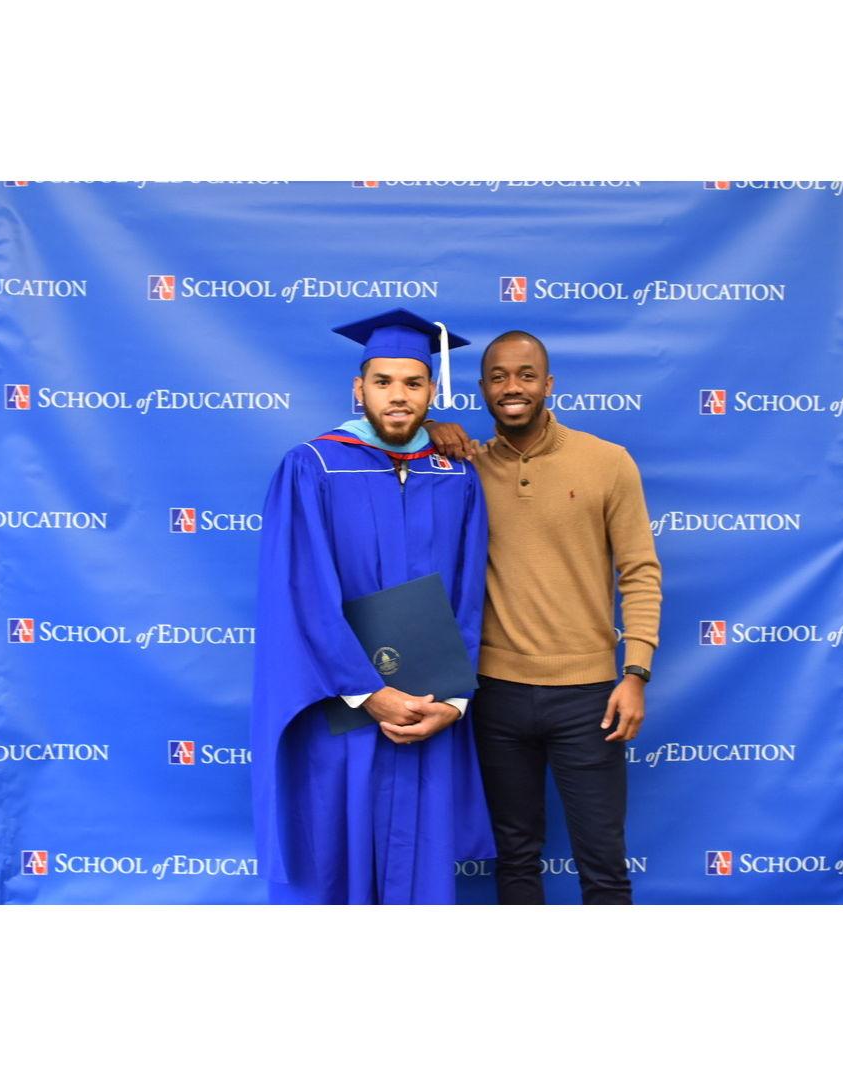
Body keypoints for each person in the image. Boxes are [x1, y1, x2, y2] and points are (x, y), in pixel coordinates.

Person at [251, 308, 495, 905]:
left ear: (433, 393)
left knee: (423, 870)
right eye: (383, 382)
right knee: (342, 860)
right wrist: (370, 691)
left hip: (429, 708)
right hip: (348, 705)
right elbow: (302, 593)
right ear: (358, 389)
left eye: (413, 383)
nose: (397, 396)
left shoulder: (455, 477)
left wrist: (453, 699)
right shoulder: (314, 466)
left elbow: (468, 592)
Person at [425, 330, 661, 905]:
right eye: (499, 377)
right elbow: (385, 450)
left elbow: (640, 572)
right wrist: (430, 428)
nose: (513, 387)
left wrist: (636, 673)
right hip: (497, 694)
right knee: (516, 858)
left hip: (588, 698)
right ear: (482, 389)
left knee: (603, 864)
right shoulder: (464, 468)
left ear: (548, 384)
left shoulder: (608, 462)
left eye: (526, 375)